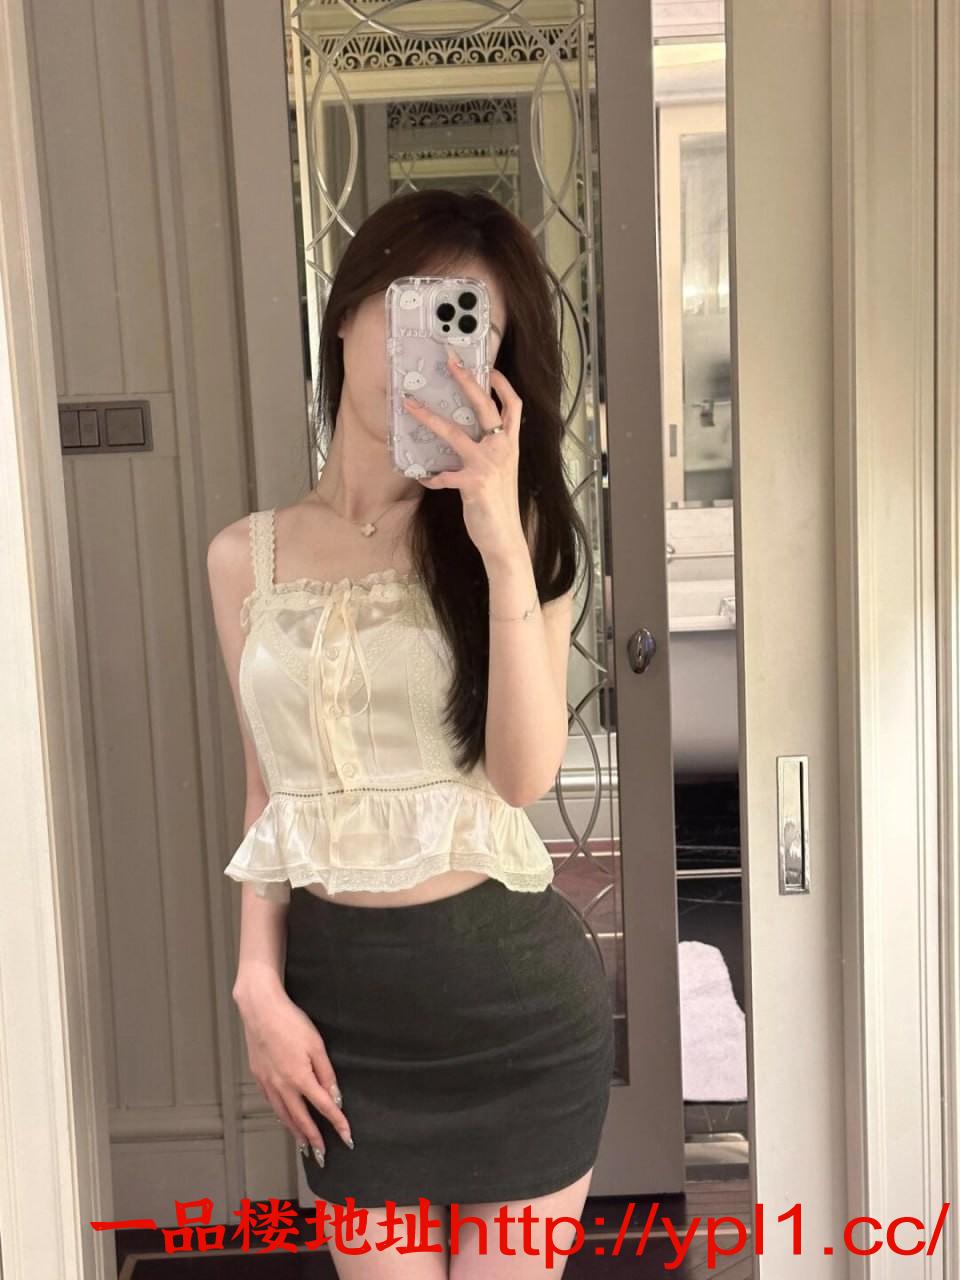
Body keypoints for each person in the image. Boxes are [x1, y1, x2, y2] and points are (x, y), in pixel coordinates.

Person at [206, 188, 614, 1277]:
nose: (423, 352)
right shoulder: (245, 558)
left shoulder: (516, 534)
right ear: (346, 313)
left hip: (518, 1018)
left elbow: (522, 778)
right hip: (347, 1032)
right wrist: (257, 982)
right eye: (410, 307)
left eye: (464, 327)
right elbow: (269, 790)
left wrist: (498, 540)